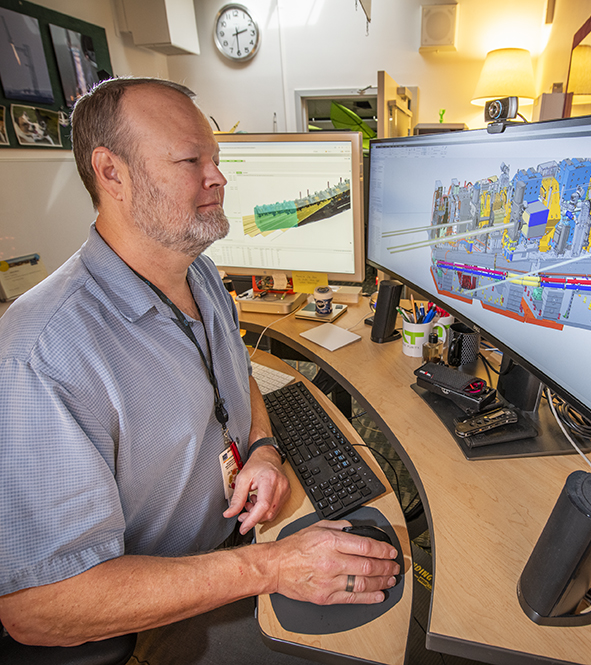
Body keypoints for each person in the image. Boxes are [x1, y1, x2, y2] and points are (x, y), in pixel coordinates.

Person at [0, 77, 400, 651]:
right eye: (192, 160)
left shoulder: (199, 273)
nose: (219, 178)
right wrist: (273, 568)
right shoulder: (42, 354)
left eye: (215, 159)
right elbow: (37, 610)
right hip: (162, 617)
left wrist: (262, 448)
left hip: (239, 551)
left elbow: (238, 384)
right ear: (111, 173)